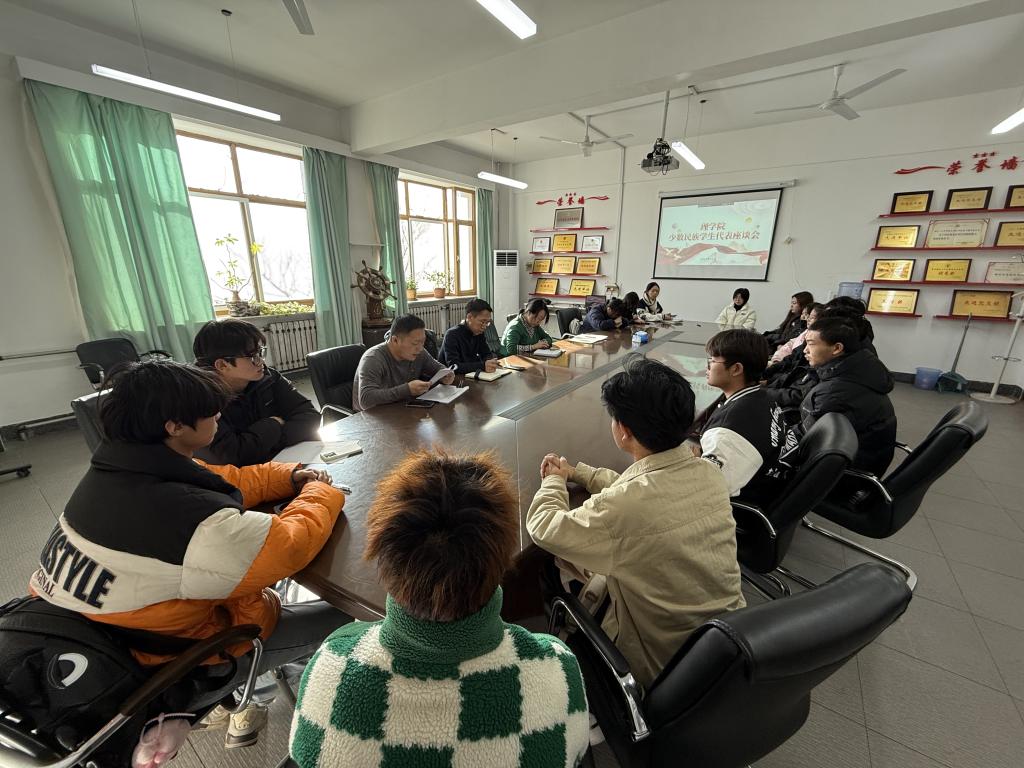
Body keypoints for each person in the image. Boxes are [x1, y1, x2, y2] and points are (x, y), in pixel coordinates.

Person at [28, 360, 348, 748]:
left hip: (94, 636)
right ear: (175, 426)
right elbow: (291, 544)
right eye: (211, 413)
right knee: (347, 614)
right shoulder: (191, 520)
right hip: (174, 659)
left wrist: (290, 475)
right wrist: (322, 490)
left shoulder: (117, 470)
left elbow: (225, 480)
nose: (219, 417)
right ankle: (309, 694)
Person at [289, 450, 590, 768]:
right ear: (501, 559)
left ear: (385, 556)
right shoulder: (556, 668)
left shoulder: (331, 669)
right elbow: (575, 750)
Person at [526, 357, 745, 690]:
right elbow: (639, 491)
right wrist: (580, 473)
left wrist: (554, 480)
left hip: (661, 666)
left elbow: (544, 526)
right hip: (726, 644)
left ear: (623, 431)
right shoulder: (707, 472)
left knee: (550, 565)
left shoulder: (626, 507)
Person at [193, 319, 319, 466]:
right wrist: (273, 424)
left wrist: (266, 442)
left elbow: (311, 417)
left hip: (283, 464)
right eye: (253, 357)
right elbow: (232, 455)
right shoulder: (199, 398)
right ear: (222, 365)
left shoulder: (268, 377)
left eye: (261, 352)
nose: (261, 362)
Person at [695, 330, 787, 501]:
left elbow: (704, 492)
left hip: (736, 504)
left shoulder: (727, 433)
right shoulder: (763, 396)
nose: (707, 367)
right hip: (762, 481)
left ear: (736, 369)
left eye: (713, 361)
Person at [800, 317, 897, 476]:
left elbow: (806, 442)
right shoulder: (858, 370)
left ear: (837, 348)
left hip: (838, 476)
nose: (805, 350)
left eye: (811, 344)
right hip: (849, 462)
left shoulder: (837, 393)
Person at [352, 314, 455, 411]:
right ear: (395, 340)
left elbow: (437, 368)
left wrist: (446, 375)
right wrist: (407, 390)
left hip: (401, 410)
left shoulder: (419, 353)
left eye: (422, 342)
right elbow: (366, 400)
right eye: (415, 343)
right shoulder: (373, 358)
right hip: (370, 417)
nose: (420, 348)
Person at [440, 298, 498, 374]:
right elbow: (454, 367)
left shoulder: (479, 332)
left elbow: (486, 353)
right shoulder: (452, 334)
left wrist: (491, 362)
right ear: (470, 317)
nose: (484, 326)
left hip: (469, 375)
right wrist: (483, 365)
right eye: (482, 321)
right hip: (450, 378)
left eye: (487, 322)